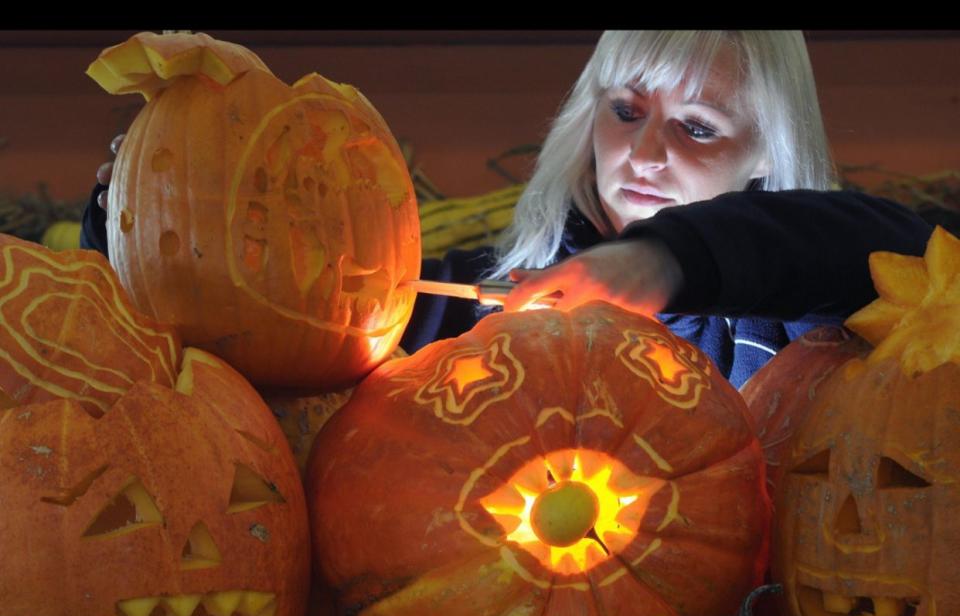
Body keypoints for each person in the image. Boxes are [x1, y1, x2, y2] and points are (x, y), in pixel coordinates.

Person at [81, 31, 934, 388]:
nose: (642, 154)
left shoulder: (793, 332)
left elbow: (918, 250)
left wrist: (668, 259)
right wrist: (139, 212)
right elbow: (245, 328)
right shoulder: (459, 302)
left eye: (699, 128)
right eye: (625, 112)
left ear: (768, 155)